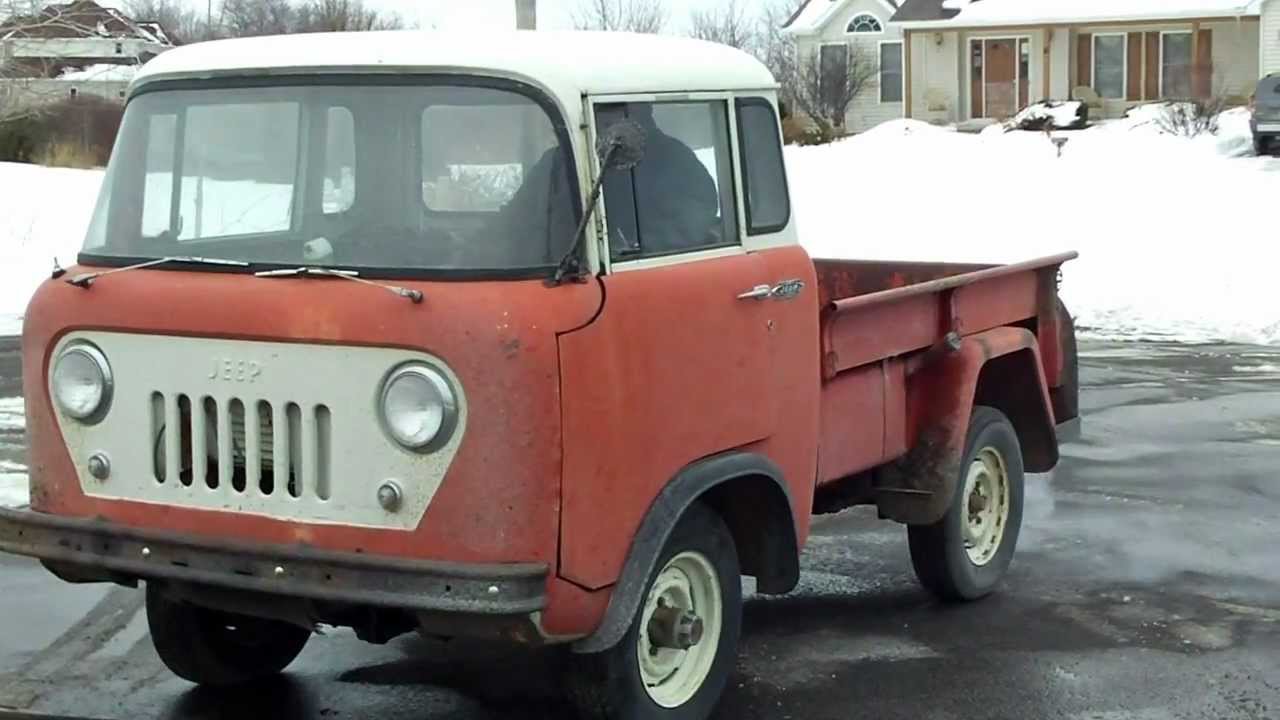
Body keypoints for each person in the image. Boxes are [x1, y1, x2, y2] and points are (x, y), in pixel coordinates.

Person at [601, 103, 719, 257]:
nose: (609, 123)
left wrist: (646, 243)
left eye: (616, 114)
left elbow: (698, 217)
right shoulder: (592, 160)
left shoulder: (674, 156)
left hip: (663, 262)